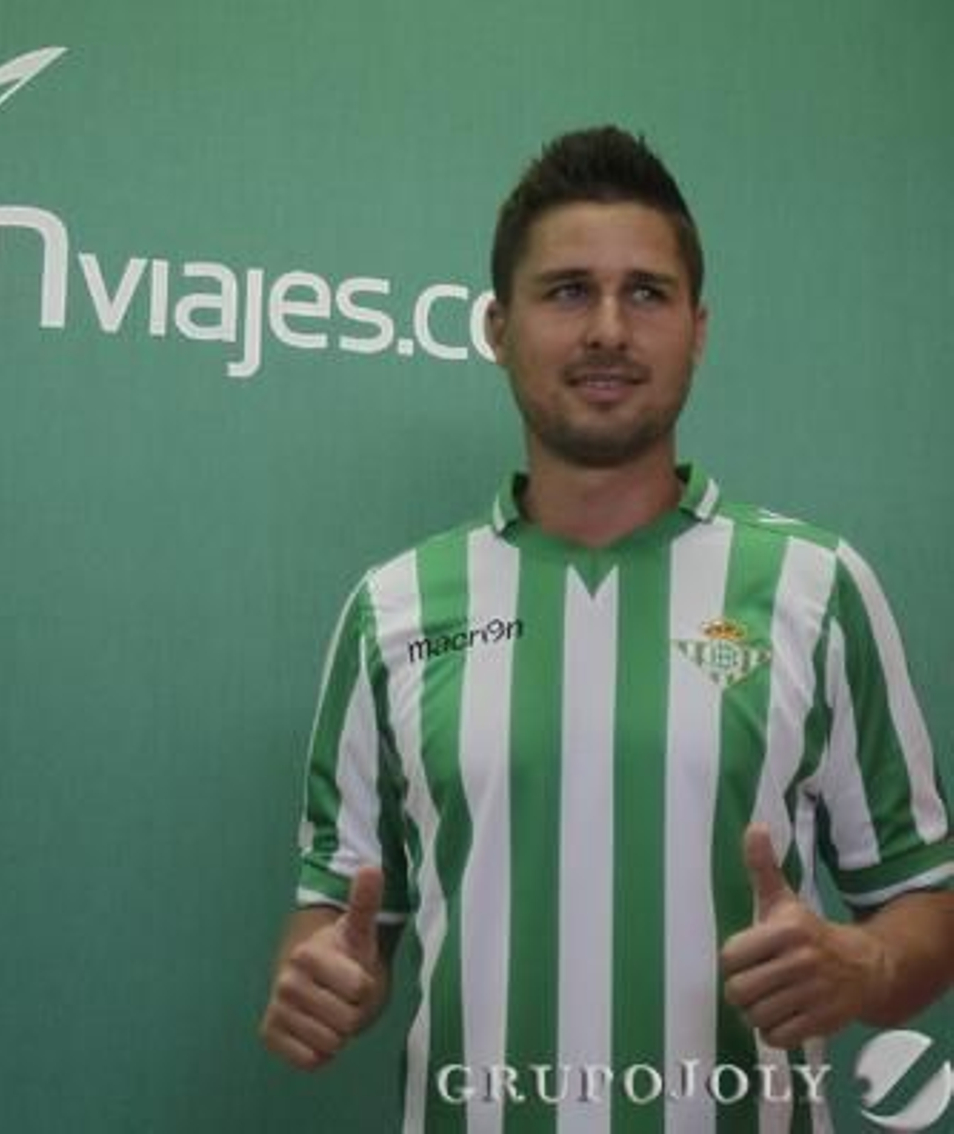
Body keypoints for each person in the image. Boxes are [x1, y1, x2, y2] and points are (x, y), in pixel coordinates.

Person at [257, 126, 954, 1132]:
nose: (608, 330)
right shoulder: (392, 607)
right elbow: (337, 918)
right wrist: (321, 978)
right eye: (568, 291)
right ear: (498, 327)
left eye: (647, 294)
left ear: (696, 330)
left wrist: (869, 964)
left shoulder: (816, 587)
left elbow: (923, 897)